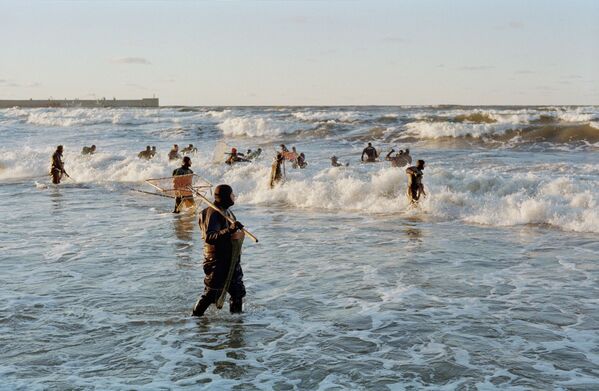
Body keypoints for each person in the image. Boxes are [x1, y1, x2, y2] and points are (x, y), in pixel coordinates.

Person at [192, 184, 246, 316]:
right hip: (217, 262)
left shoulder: (226, 211)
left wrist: (236, 230)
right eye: (232, 194)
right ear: (225, 197)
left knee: (237, 292)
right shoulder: (214, 213)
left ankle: (237, 324)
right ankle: (195, 319)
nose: (234, 196)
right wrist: (230, 229)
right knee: (211, 294)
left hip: (230, 261)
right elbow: (210, 237)